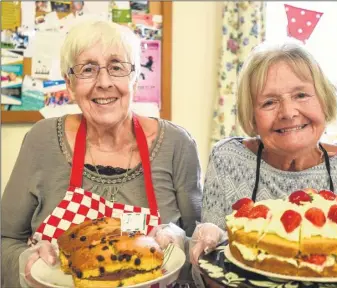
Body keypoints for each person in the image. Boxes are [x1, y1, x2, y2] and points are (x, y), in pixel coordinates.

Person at [1, 20, 202, 288]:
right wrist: (27, 268)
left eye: (117, 67)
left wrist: (180, 245)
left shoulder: (177, 145)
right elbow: (5, 240)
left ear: (134, 78)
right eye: (88, 69)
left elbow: (200, 255)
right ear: (70, 84)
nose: (104, 82)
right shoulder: (42, 140)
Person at [190, 40, 337, 285]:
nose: (288, 112)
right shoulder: (228, 159)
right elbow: (212, 273)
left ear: (323, 100)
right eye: (269, 102)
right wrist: (207, 242)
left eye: (301, 95)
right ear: (252, 115)